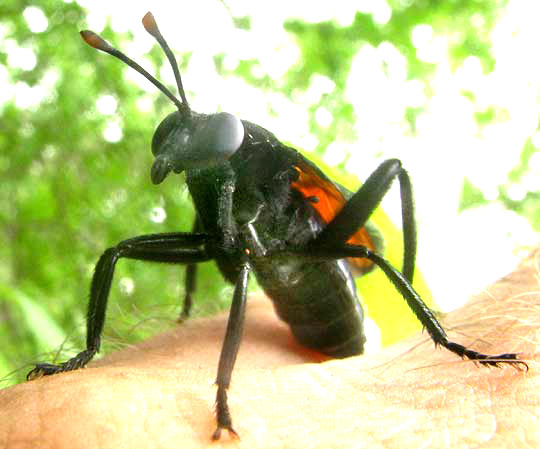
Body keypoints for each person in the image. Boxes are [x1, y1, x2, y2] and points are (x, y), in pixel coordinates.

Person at [0, 249, 537, 449]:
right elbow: (217, 247)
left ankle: (443, 340)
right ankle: (88, 351)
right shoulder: (217, 188)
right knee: (119, 253)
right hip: (297, 323)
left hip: (330, 296)